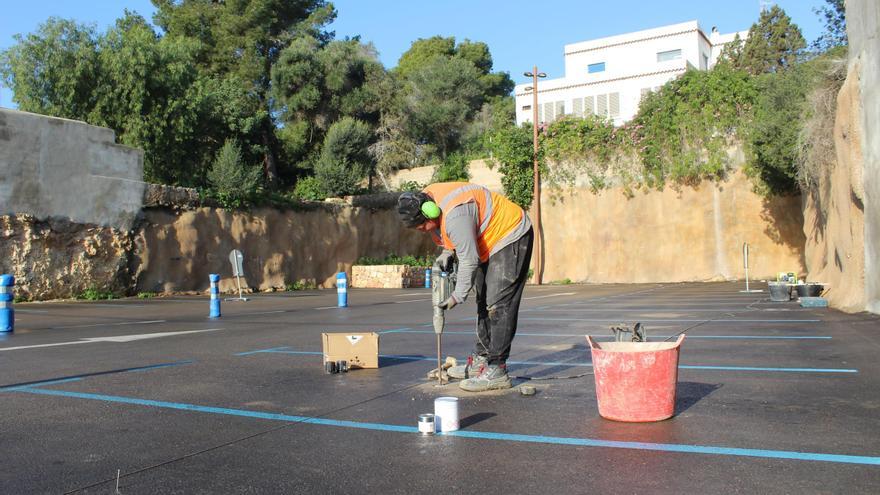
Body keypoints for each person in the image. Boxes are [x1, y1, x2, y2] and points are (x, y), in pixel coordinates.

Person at [397, 182, 533, 392]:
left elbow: (469, 260)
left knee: (498, 304)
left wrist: (456, 296)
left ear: (430, 214)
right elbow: (454, 239)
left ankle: (497, 370)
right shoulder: (428, 200)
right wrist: (448, 252)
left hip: (510, 233)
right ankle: (482, 359)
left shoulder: (455, 214)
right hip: (485, 242)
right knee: (483, 300)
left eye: (422, 226)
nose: (422, 231)